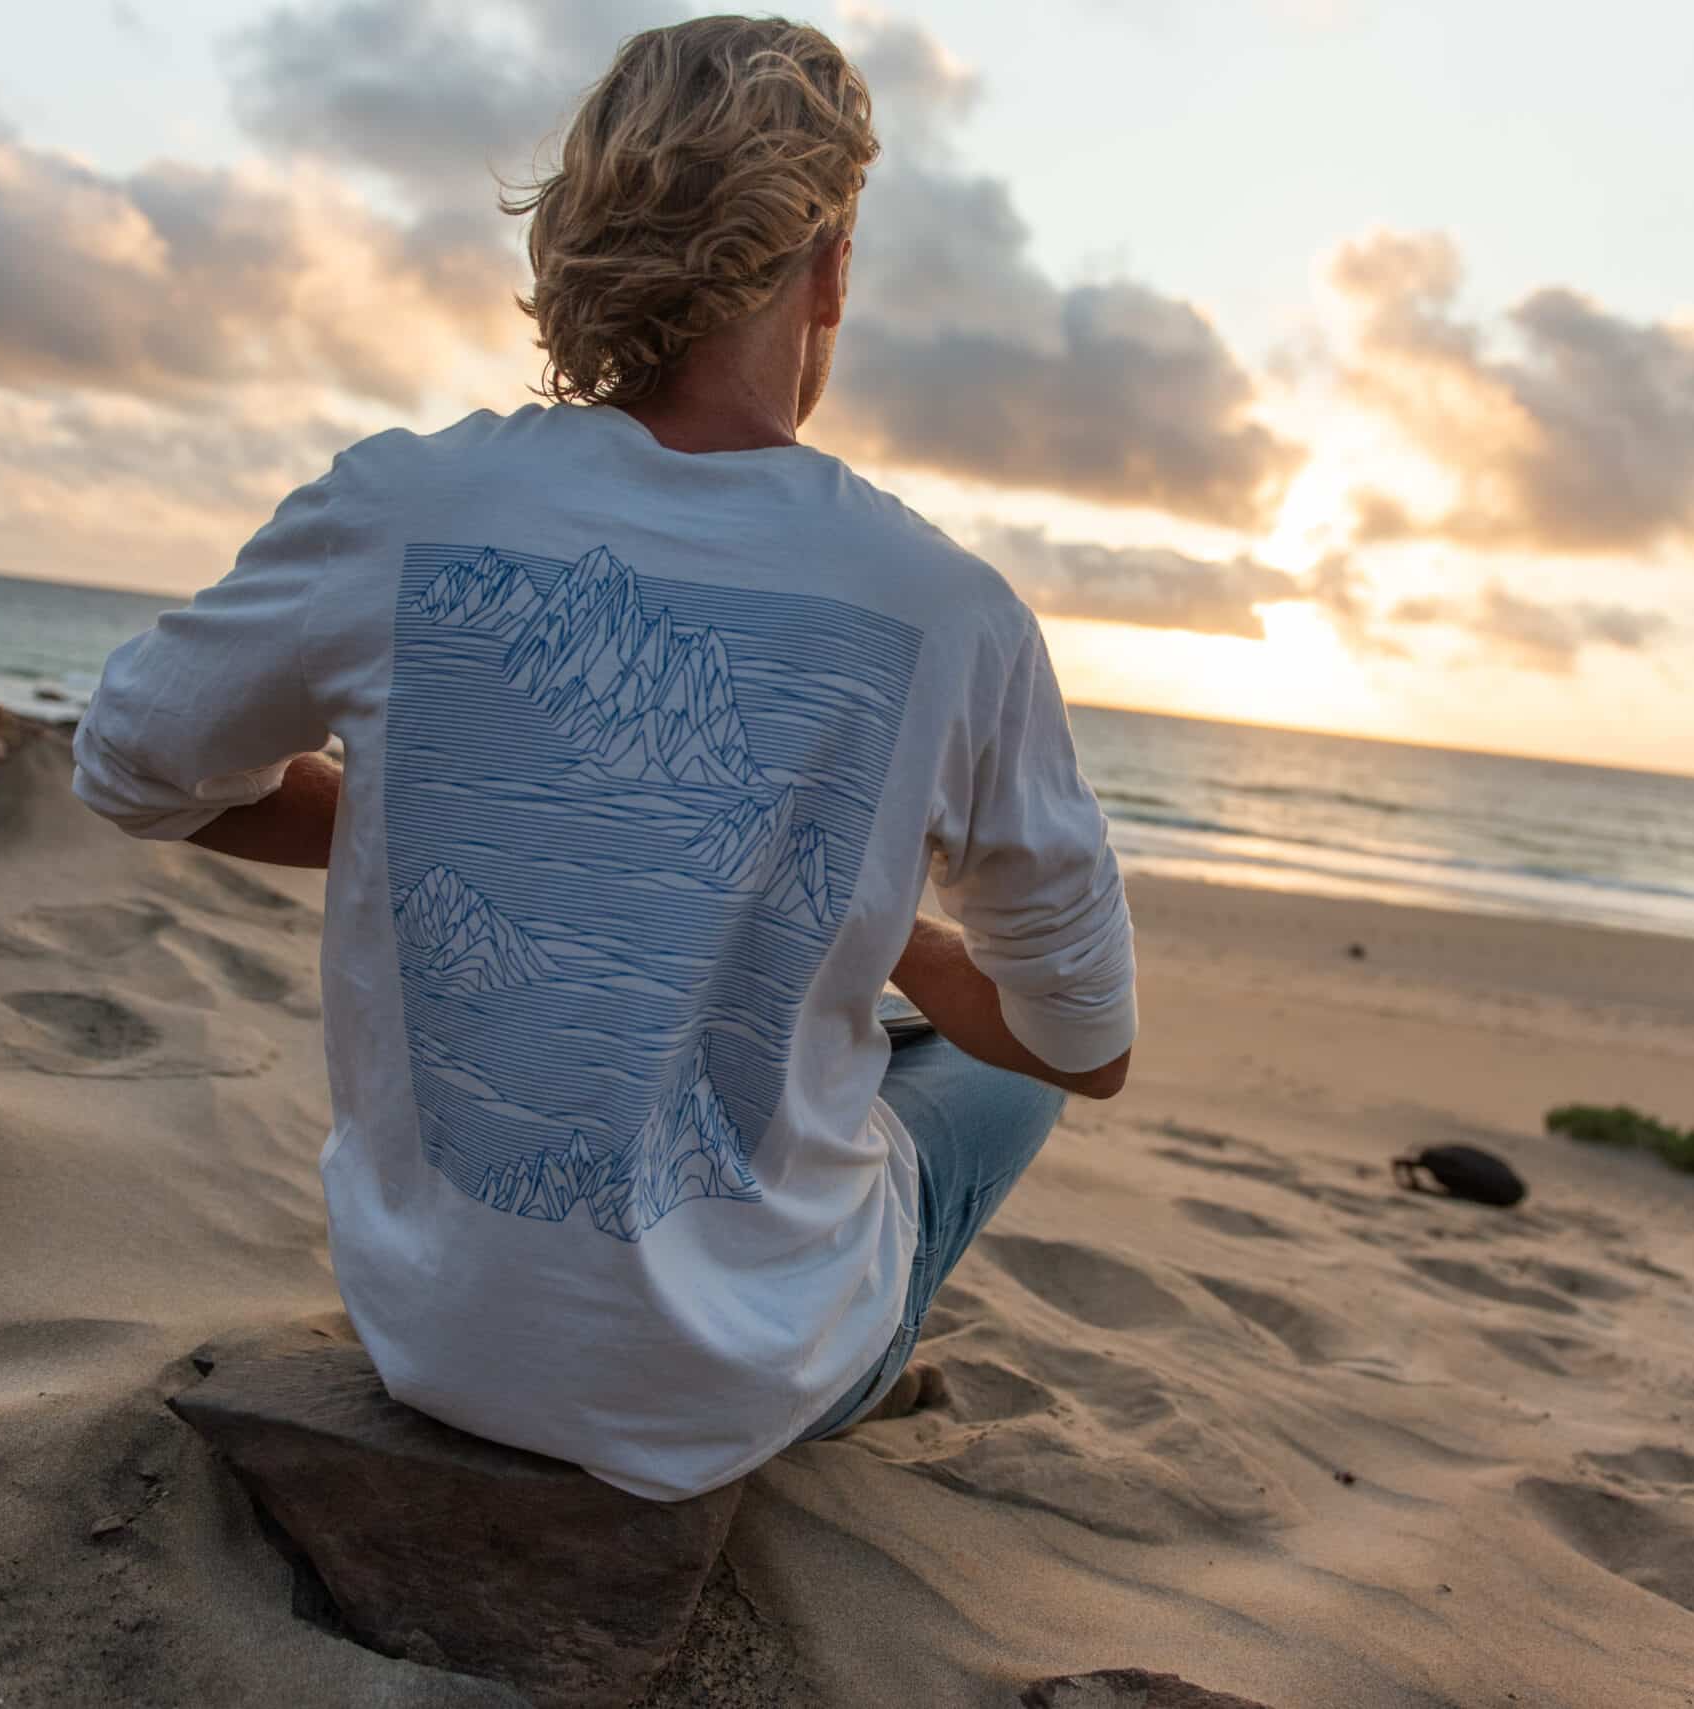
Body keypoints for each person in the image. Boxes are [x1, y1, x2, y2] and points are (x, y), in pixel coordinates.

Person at [71, 15, 1135, 1503]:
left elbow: (131, 766)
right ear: (830, 269)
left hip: (433, 1339)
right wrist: (864, 915)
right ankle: (840, 1331)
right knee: (996, 1069)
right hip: (740, 1387)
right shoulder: (948, 608)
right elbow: (1088, 1041)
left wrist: (433, 806)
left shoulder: (401, 507)